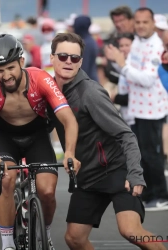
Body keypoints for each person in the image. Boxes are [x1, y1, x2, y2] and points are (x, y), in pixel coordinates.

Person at [47, 32, 166, 250]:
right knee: (74, 238)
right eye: (63, 56)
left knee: (131, 231)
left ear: (81, 61)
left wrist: (135, 174)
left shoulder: (90, 92)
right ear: (52, 57)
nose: (68, 62)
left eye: (74, 58)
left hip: (116, 171)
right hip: (88, 178)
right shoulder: (50, 93)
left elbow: (126, 134)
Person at [0, 34, 80, 250]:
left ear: (22, 62)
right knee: (6, 179)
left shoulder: (41, 79)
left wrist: (69, 152)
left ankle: (46, 233)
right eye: (0, 70)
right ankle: (7, 244)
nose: (6, 76)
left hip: (37, 136)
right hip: (6, 138)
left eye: (10, 68)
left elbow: (68, 120)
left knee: (47, 191)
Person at [106, 7, 168, 211]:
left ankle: (160, 195)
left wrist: (122, 65)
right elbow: (129, 73)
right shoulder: (137, 43)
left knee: (152, 155)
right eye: (138, 22)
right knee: (142, 155)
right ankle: (150, 193)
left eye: (145, 22)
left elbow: (148, 79)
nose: (141, 26)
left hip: (152, 109)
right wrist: (117, 63)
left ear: (152, 23)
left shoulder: (157, 46)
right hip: (136, 108)